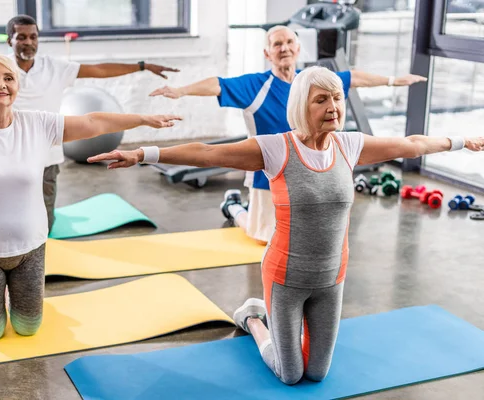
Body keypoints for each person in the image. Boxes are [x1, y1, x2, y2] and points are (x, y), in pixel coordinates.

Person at [89, 66, 484, 384]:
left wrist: (461, 141)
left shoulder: (348, 145)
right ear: (302, 105)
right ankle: (253, 318)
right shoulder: (278, 148)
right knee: (290, 374)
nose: (333, 106)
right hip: (285, 277)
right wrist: (142, 152)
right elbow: (208, 154)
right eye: (321, 99)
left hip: (332, 278)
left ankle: (271, 319)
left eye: (337, 98)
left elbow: (411, 143)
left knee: (318, 372)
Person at [0, 53, 181, 342]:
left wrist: (143, 118)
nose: (1, 84)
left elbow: (92, 122)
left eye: (8, 78)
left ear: (17, 86)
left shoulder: (38, 124)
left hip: (31, 247)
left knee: (29, 327)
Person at [0, 14, 179, 234]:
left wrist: (142, 65)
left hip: (44, 157)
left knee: (43, 224)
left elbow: (99, 70)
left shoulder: (55, 68)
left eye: (33, 36)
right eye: (22, 37)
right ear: (10, 39)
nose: (28, 42)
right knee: (0, 220)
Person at [149, 25, 426, 244]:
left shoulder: (313, 82)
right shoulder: (256, 85)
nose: (284, 48)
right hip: (269, 172)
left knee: (303, 233)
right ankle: (234, 208)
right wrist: (181, 90)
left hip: (311, 170)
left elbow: (352, 77)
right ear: (267, 53)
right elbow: (217, 85)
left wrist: (394, 81)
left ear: (298, 48)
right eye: (277, 44)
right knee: (262, 237)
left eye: (289, 42)